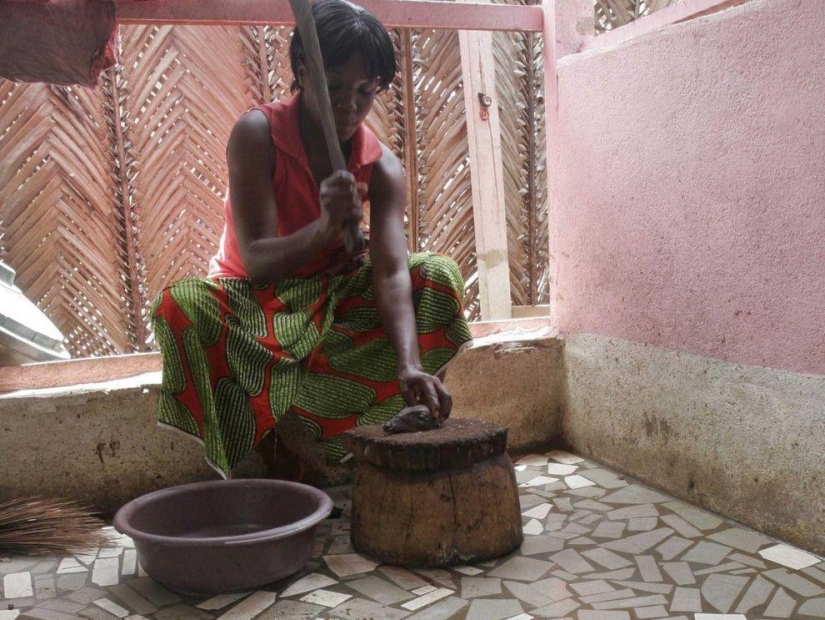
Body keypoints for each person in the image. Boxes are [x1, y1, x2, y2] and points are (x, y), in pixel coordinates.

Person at [151, 0, 472, 480]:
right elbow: (257, 260)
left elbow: (389, 272)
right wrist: (324, 229)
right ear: (303, 70)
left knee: (437, 275)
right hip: (257, 302)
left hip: (332, 298)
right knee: (184, 307)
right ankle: (271, 452)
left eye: (365, 90)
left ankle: (406, 414)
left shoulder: (380, 166)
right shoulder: (257, 134)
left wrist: (408, 363)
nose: (350, 105)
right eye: (336, 86)